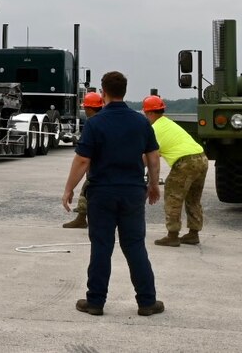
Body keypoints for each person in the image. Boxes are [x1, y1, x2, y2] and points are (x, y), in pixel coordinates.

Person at [62, 71, 163, 317]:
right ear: (124, 91)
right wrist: (153, 185)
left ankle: (95, 302)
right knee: (135, 245)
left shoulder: (95, 123)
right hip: (132, 192)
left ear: (103, 92)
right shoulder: (141, 122)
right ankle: (147, 302)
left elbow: (83, 160)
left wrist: (69, 189)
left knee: (101, 246)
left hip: (102, 193)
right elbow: (153, 156)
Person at [142, 95, 209, 247]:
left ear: (150, 113)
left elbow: (150, 157)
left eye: (145, 114)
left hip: (185, 162)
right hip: (201, 158)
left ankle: (172, 235)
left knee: (173, 197)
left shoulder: (154, 129)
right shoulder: (168, 123)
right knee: (193, 198)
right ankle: (193, 233)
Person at [62, 91, 105, 229]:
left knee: (87, 189)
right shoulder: (105, 120)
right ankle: (82, 217)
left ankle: (82, 218)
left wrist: (69, 188)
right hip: (106, 165)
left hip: (98, 166)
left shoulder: (92, 123)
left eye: (85, 107)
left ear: (89, 108)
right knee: (87, 190)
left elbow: (82, 157)